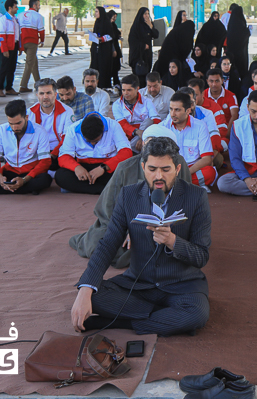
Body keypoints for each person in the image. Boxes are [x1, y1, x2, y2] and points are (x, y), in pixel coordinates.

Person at [71, 136, 212, 336]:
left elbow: (201, 256)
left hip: (182, 286)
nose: (158, 176)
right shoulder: (128, 195)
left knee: (196, 315)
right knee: (91, 295)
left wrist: (172, 241)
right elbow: (108, 244)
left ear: (177, 169)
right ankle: (165, 318)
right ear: (143, 167)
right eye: (152, 169)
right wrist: (86, 289)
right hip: (138, 284)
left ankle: (120, 322)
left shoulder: (196, 196)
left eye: (166, 169)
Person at [69, 125, 191, 269]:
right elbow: (108, 207)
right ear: (143, 144)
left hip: (166, 226)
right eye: (150, 144)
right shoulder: (126, 167)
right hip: (126, 225)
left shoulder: (179, 164)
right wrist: (130, 230)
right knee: (98, 245)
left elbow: (185, 202)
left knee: (178, 245)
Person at [0, 99, 53, 196]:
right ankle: (24, 189)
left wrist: (24, 180)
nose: (15, 128)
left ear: (26, 117)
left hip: (30, 174)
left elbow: (45, 161)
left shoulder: (40, 131)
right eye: (11, 123)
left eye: (18, 123)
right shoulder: (1, 129)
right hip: (9, 172)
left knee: (45, 179)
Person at [55, 113, 132, 194]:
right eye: (88, 141)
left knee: (126, 174)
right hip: (84, 169)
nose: (92, 144)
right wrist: (76, 168)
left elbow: (126, 152)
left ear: (103, 130)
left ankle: (85, 188)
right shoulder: (72, 129)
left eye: (96, 141)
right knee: (61, 175)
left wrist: (104, 167)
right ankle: (106, 190)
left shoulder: (114, 125)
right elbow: (64, 156)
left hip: (107, 169)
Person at [165, 92, 217, 191]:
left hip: (192, 169)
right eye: (171, 109)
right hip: (170, 168)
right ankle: (188, 185)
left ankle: (172, 184)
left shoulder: (200, 126)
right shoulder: (163, 126)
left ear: (188, 110)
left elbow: (207, 159)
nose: (172, 114)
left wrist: (186, 173)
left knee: (210, 172)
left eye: (177, 110)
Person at [28, 78, 75, 170]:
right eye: (42, 93)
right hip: (37, 152)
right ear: (37, 95)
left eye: (49, 93)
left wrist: (52, 155)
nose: (45, 97)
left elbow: (67, 138)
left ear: (55, 94)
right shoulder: (29, 112)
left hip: (58, 151)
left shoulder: (67, 111)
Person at [113, 74, 160, 152]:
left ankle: (129, 150)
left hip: (145, 136)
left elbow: (156, 120)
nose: (125, 93)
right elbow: (122, 124)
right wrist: (137, 132)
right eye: (123, 90)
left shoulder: (147, 101)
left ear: (137, 89)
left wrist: (143, 137)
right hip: (125, 137)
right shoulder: (117, 104)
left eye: (129, 90)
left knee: (149, 121)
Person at [154, 10, 194, 81]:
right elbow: (185, 48)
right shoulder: (179, 32)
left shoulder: (177, 32)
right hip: (169, 60)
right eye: (183, 15)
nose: (185, 17)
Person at [188, 79, 228, 149]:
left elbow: (222, 131)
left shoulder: (214, 107)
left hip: (211, 141)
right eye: (189, 95)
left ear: (202, 94)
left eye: (195, 95)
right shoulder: (184, 107)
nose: (192, 99)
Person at [17, 0, 45, 93]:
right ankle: (23, 85)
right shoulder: (38, 16)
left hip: (22, 41)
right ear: (34, 5)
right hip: (32, 42)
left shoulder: (20, 15)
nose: (39, 7)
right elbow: (41, 30)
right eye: (38, 5)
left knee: (33, 61)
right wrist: (42, 41)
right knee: (29, 63)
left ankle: (38, 83)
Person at [0, 0, 21, 97]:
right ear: (10, 8)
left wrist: (19, 47)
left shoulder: (15, 19)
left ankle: (9, 88)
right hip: (7, 47)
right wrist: (4, 49)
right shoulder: (3, 20)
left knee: (12, 68)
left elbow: (18, 34)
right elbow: (1, 36)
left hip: (14, 46)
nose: (17, 8)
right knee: (3, 68)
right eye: (15, 7)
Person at [128, 7, 159, 88]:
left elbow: (156, 35)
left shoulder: (149, 25)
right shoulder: (136, 26)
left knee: (146, 74)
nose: (147, 16)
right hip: (138, 56)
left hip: (147, 55)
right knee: (139, 77)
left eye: (148, 14)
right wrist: (143, 46)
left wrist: (151, 26)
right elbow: (132, 41)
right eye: (145, 14)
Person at [226, 5, 250, 76]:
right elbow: (244, 35)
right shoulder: (241, 22)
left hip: (232, 51)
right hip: (241, 52)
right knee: (241, 68)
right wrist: (248, 31)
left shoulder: (231, 23)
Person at [107, 10, 123, 88]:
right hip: (111, 49)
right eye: (113, 17)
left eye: (115, 17)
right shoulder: (107, 25)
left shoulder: (114, 25)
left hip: (116, 47)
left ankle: (116, 82)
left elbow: (117, 34)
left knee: (116, 67)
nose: (114, 19)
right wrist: (113, 50)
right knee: (111, 67)